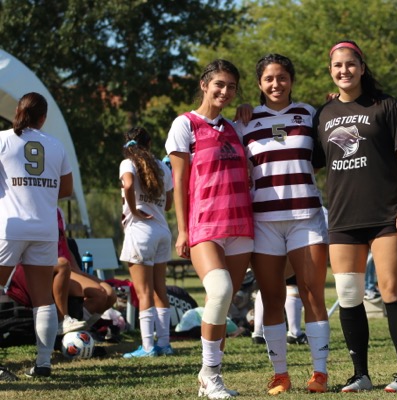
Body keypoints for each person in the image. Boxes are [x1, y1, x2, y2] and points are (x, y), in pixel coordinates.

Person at [313, 40, 397, 393]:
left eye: (350, 64)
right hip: (343, 218)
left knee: (391, 290)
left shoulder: (386, 105)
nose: (344, 71)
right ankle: (361, 374)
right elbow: (304, 154)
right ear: (331, 70)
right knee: (348, 294)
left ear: (361, 66)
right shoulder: (323, 114)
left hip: (388, 214)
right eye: (337, 66)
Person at [238, 53, 330, 395]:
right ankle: (280, 374)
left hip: (306, 217)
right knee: (273, 297)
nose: (276, 84)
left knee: (311, 294)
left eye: (282, 77)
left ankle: (319, 373)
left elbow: (319, 159)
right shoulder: (245, 120)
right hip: (263, 221)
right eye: (268, 79)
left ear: (291, 79)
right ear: (259, 83)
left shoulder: (310, 114)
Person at [165, 59, 254, 399]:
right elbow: (179, 181)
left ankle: (212, 376)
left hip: (241, 224)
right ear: (204, 85)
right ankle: (209, 375)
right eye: (219, 84)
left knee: (225, 301)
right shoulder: (184, 125)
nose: (225, 91)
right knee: (218, 290)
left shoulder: (236, 126)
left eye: (231, 86)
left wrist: (250, 110)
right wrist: (182, 229)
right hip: (204, 224)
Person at [0, 92, 73, 378]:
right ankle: (43, 363)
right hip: (44, 229)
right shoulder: (55, 145)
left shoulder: (3, 140)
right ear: (43, 118)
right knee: (43, 299)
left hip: (10, 227)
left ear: (18, 111)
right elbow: (65, 190)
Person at [119, 126, 174, 357]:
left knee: (143, 292)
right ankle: (164, 344)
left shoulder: (127, 164)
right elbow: (169, 205)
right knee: (160, 290)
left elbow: (129, 185)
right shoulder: (162, 167)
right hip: (162, 231)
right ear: (150, 144)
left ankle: (148, 347)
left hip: (141, 232)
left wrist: (134, 210)